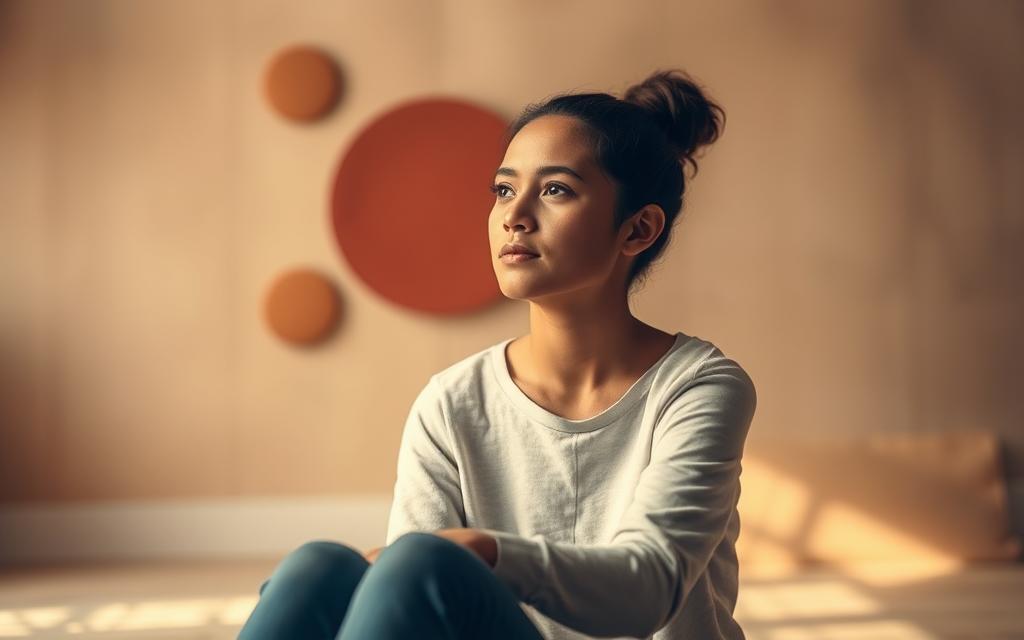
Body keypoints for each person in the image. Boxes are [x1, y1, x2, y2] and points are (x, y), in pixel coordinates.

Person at [237, 68, 756, 640]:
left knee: (423, 563)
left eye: (556, 189)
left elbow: (647, 590)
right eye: (505, 189)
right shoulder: (452, 401)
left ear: (638, 230)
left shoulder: (699, 387)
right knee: (319, 568)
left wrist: (484, 550)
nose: (514, 214)